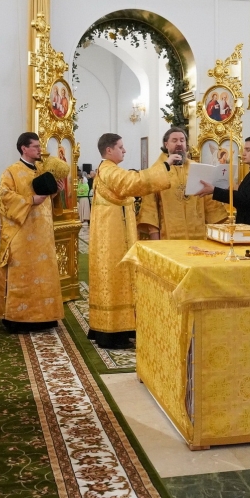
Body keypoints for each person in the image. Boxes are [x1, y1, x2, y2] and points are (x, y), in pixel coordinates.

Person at [87, 133, 171, 349]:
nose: (124, 150)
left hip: (116, 234)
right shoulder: (109, 170)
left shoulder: (108, 169)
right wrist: (164, 166)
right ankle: (112, 331)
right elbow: (133, 183)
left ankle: (121, 327)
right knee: (115, 277)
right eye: (120, 147)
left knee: (120, 278)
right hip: (112, 238)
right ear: (109, 150)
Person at [0, 132, 65, 333]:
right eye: (35, 146)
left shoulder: (43, 170)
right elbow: (3, 197)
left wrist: (56, 191)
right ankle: (18, 319)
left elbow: (47, 200)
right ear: (24, 148)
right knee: (23, 276)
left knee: (44, 274)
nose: (39, 150)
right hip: (22, 234)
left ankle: (45, 317)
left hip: (43, 234)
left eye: (39, 146)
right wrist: (30, 200)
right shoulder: (11, 172)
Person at [137, 126, 227, 239]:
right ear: (166, 144)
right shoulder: (156, 172)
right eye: (174, 140)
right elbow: (150, 210)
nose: (179, 143)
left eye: (182, 140)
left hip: (197, 235)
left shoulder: (197, 168)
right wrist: (155, 241)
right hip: (168, 237)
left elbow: (211, 205)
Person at [198, 136, 250, 227]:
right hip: (245, 225)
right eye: (244, 149)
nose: (243, 153)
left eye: (248, 150)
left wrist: (214, 190)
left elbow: (244, 200)